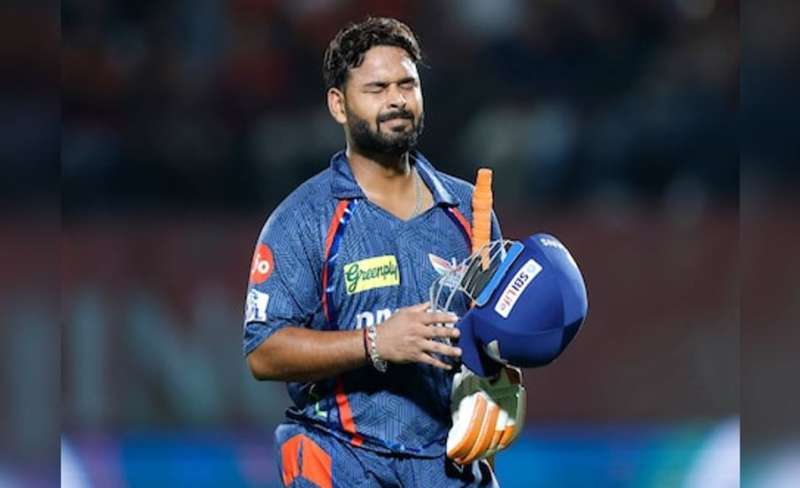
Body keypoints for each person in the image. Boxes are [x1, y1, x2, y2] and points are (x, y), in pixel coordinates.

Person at [243, 16, 501, 487]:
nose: (396, 100)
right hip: (342, 457)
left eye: (407, 85)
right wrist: (376, 342)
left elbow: (490, 342)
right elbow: (264, 351)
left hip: (445, 467)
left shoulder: (469, 211)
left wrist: (501, 386)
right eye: (377, 88)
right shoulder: (304, 218)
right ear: (338, 105)